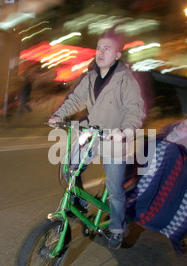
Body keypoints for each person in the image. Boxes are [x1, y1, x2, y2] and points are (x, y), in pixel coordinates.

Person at [48, 27, 146, 249]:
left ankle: (118, 230)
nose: (100, 52)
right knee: (69, 168)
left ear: (117, 55)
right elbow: (75, 100)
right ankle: (80, 203)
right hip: (92, 135)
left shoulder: (125, 80)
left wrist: (125, 131)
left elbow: (136, 111)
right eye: (98, 48)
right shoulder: (91, 77)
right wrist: (58, 115)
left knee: (115, 189)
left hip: (115, 140)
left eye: (107, 49)